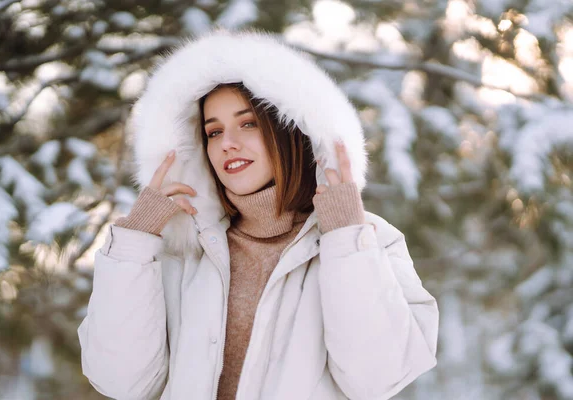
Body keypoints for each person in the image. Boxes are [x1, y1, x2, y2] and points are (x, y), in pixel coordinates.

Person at [77, 29, 439, 400]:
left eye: (247, 123)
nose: (227, 142)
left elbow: (376, 378)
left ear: (290, 131)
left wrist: (345, 238)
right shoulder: (182, 252)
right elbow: (121, 381)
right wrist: (135, 241)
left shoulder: (366, 242)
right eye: (213, 132)